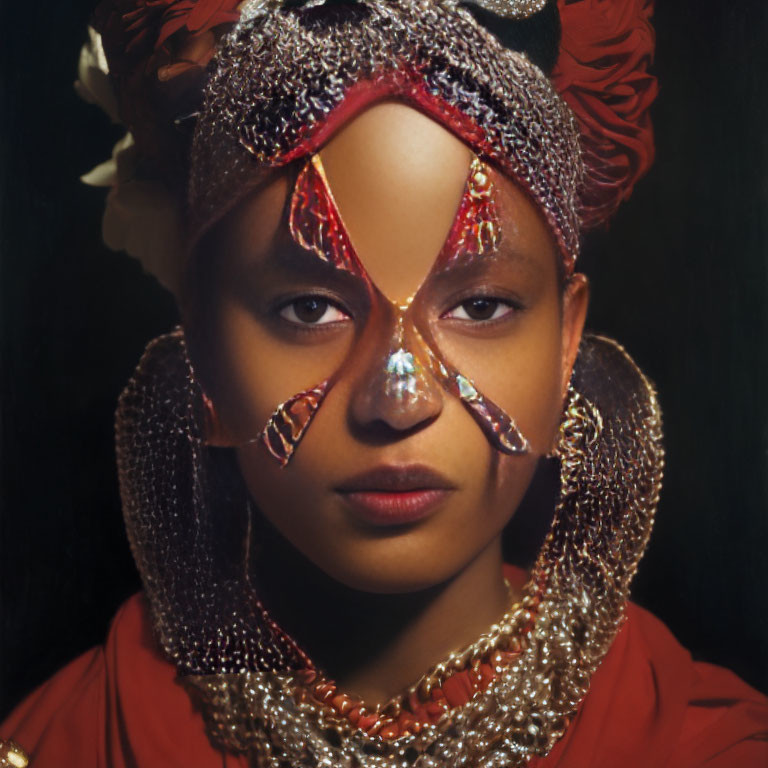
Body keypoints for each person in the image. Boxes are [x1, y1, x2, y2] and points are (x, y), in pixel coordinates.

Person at [1, 0, 767, 766]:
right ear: (202, 342)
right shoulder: (65, 744)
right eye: (311, 309)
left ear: (566, 339)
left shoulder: (708, 747)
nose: (399, 401)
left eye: (479, 305)